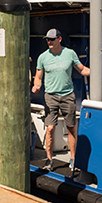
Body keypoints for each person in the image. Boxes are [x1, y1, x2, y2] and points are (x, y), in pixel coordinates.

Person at [31, 28, 90, 171]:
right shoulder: (43, 57)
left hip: (68, 96)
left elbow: (82, 70)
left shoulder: (69, 54)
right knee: (50, 128)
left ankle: (73, 159)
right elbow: (38, 77)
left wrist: (99, 71)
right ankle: (49, 160)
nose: (49, 42)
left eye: (52, 39)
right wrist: (36, 86)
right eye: (47, 40)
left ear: (59, 39)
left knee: (71, 127)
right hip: (50, 96)